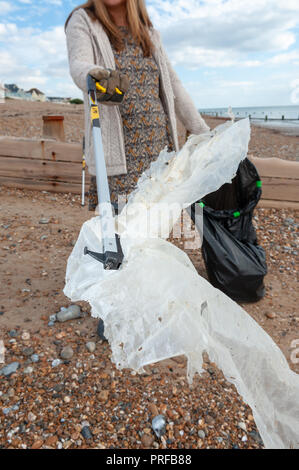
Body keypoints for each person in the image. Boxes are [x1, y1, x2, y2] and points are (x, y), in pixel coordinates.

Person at [65, 0, 210, 339]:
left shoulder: (148, 32)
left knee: (151, 225)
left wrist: (203, 132)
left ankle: (148, 295)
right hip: (117, 145)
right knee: (118, 227)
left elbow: (173, 88)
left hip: (156, 145)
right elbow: (78, 64)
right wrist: (94, 76)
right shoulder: (83, 20)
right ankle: (114, 307)